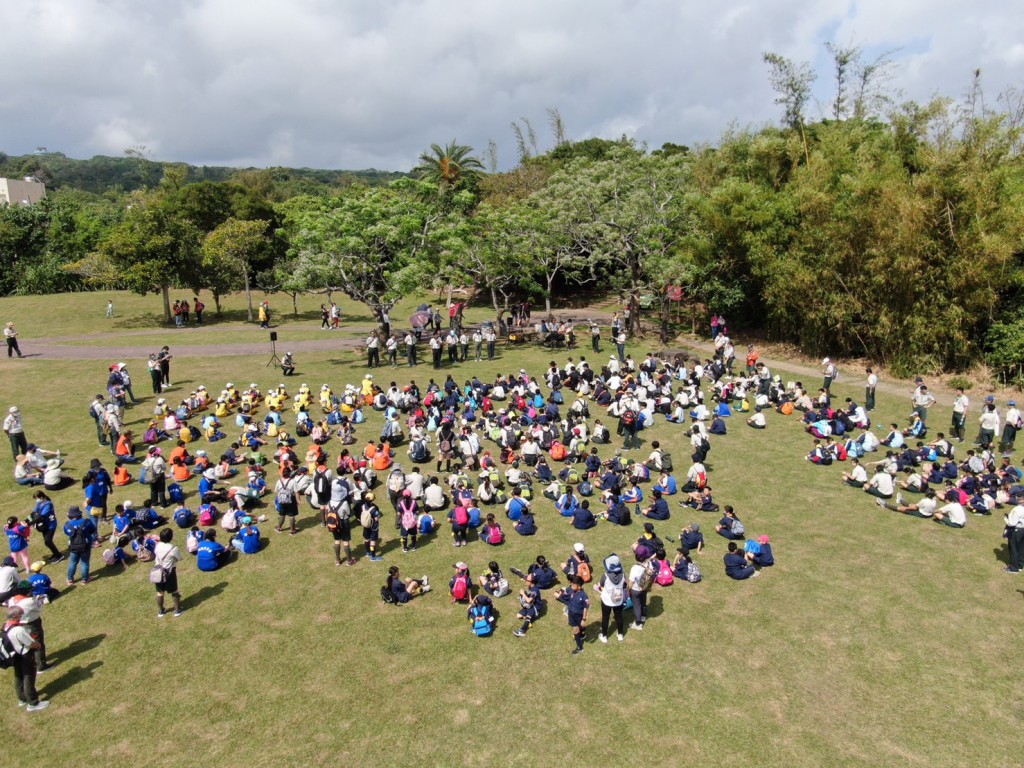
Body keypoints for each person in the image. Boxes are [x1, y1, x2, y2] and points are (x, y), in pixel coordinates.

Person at [3, 606, 49, 711]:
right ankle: (33, 703)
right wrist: (37, 644)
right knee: (29, 677)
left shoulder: (5, 626)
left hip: (15, 656)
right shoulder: (18, 630)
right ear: (15, 616)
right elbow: (32, 644)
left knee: (18, 676)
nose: (21, 616)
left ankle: (22, 698)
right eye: (20, 614)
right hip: (25, 655)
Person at [594, 554, 627, 643]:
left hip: (606, 601)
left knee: (605, 618)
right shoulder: (623, 573)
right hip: (619, 600)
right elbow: (625, 584)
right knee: (619, 616)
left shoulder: (605, 575)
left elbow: (601, 585)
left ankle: (604, 636)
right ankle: (620, 634)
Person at [555, 575, 590, 655]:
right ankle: (581, 635)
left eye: (574, 585)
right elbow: (565, 597)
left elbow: (585, 607)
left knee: (577, 629)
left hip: (579, 615)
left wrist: (583, 619)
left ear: (579, 586)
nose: (572, 585)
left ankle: (580, 648)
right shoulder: (571, 591)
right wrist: (559, 595)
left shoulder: (583, 596)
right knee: (576, 629)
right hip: (571, 614)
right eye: (572, 584)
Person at [153, 528, 183, 618]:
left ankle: (161, 610)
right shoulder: (173, 548)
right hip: (170, 572)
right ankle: (177, 610)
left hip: (158, 571)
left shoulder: (157, 546)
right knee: (174, 591)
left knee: (160, 592)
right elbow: (179, 558)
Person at [63, 506, 96, 585]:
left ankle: (70, 579)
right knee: (84, 562)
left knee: (73, 562)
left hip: (73, 546)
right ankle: (85, 579)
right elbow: (93, 530)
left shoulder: (67, 525)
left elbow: (67, 533)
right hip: (86, 545)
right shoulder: (87, 522)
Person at [29, 491, 61, 562]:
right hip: (45, 525)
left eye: (37, 498)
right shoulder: (39, 503)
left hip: (50, 525)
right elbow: (34, 513)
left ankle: (59, 555)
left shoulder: (48, 504)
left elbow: (41, 517)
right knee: (47, 542)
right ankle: (55, 554)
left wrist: (30, 523)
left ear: (42, 497)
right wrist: (26, 520)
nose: (36, 500)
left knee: (48, 541)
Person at [274, 469, 300, 534]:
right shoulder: (292, 481)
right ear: (289, 474)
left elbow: (276, 490)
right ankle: (292, 530)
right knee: (291, 515)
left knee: (282, 514)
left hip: (281, 500)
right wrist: (298, 500)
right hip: (290, 500)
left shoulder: (279, 481)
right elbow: (296, 491)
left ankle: (279, 527)